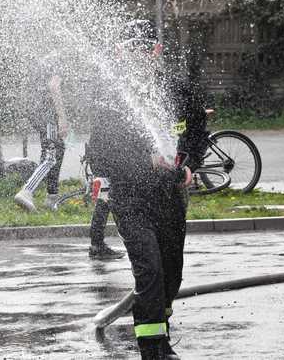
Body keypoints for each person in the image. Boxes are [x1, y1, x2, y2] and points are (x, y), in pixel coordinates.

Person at [88, 34, 193, 360]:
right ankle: (151, 350)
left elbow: (190, 132)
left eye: (148, 50)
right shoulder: (110, 100)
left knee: (171, 274)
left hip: (170, 200)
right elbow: (101, 156)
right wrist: (146, 161)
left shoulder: (173, 91)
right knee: (150, 271)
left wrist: (189, 164)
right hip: (133, 201)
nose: (142, 56)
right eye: (133, 50)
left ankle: (161, 337)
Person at [14, 73, 69, 212]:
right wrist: (62, 117)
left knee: (58, 149)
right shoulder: (58, 58)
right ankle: (26, 192)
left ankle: (52, 197)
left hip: (40, 112)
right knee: (51, 157)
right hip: (48, 114)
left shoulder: (49, 58)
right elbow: (54, 86)